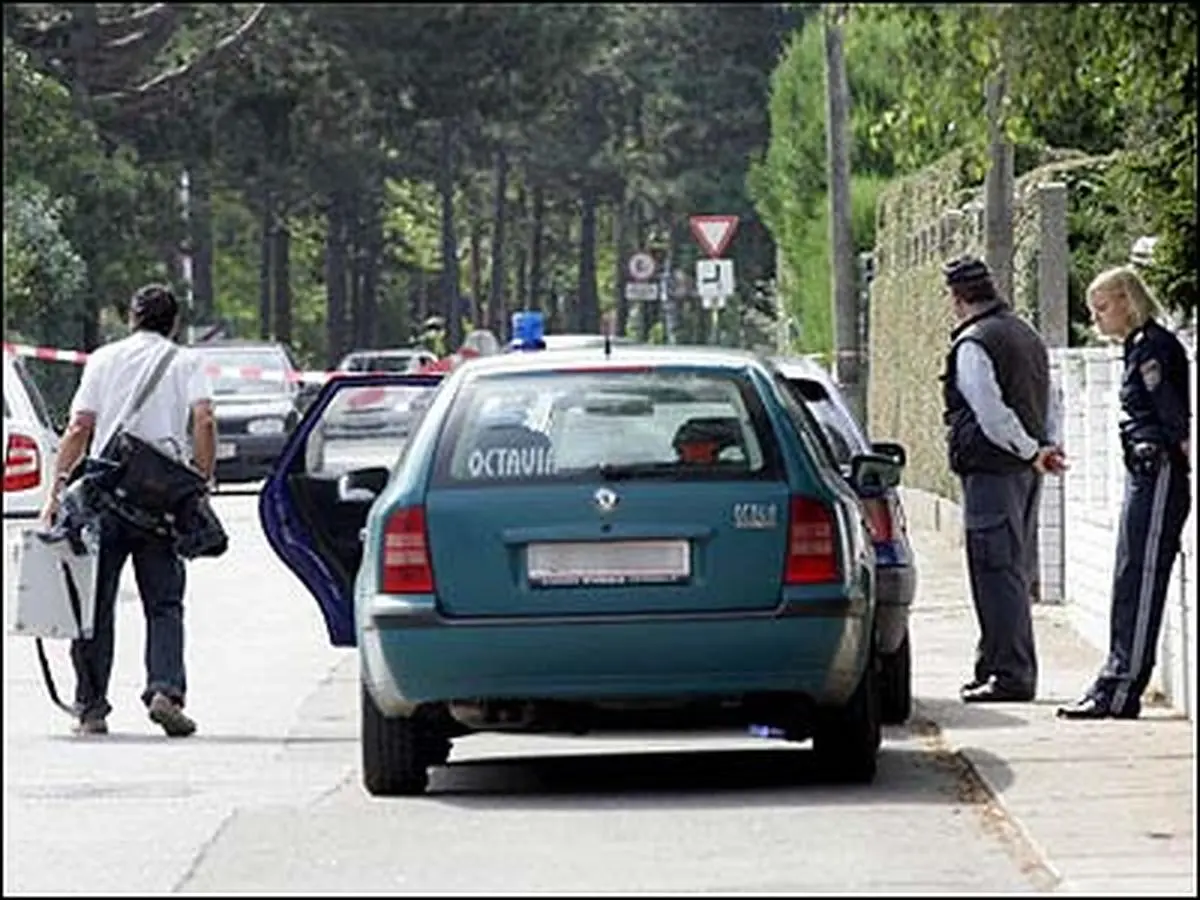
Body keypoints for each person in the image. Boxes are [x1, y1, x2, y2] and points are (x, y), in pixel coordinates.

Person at [39, 284, 217, 737]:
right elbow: (204, 419)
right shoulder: (186, 362)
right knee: (164, 603)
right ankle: (165, 692)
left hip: (106, 496)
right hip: (162, 501)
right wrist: (201, 478)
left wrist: (55, 493)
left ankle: (91, 709)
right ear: (173, 323)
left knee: (94, 605)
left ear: (132, 318)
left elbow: (79, 427)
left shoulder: (103, 360)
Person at [1058, 267, 1192, 720]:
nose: (1096, 318)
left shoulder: (1153, 346)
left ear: (1126, 301)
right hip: (1144, 470)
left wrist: (1182, 449)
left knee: (1140, 574)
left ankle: (1121, 687)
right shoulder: (1138, 345)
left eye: (1102, 307)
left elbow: (1171, 412)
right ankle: (1114, 679)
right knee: (1128, 573)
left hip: (1158, 470)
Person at [939, 256, 1066, 704]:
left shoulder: (974, 342)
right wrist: (1044, 448)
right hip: (1025, 470)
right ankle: (993, 666)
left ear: (957, 298)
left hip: (993, 469)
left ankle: (1009, 674)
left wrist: (1030, 450)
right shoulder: (1025, 334)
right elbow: (1051, 398)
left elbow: (990, 413)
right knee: (1010, 568)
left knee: (995, 572)